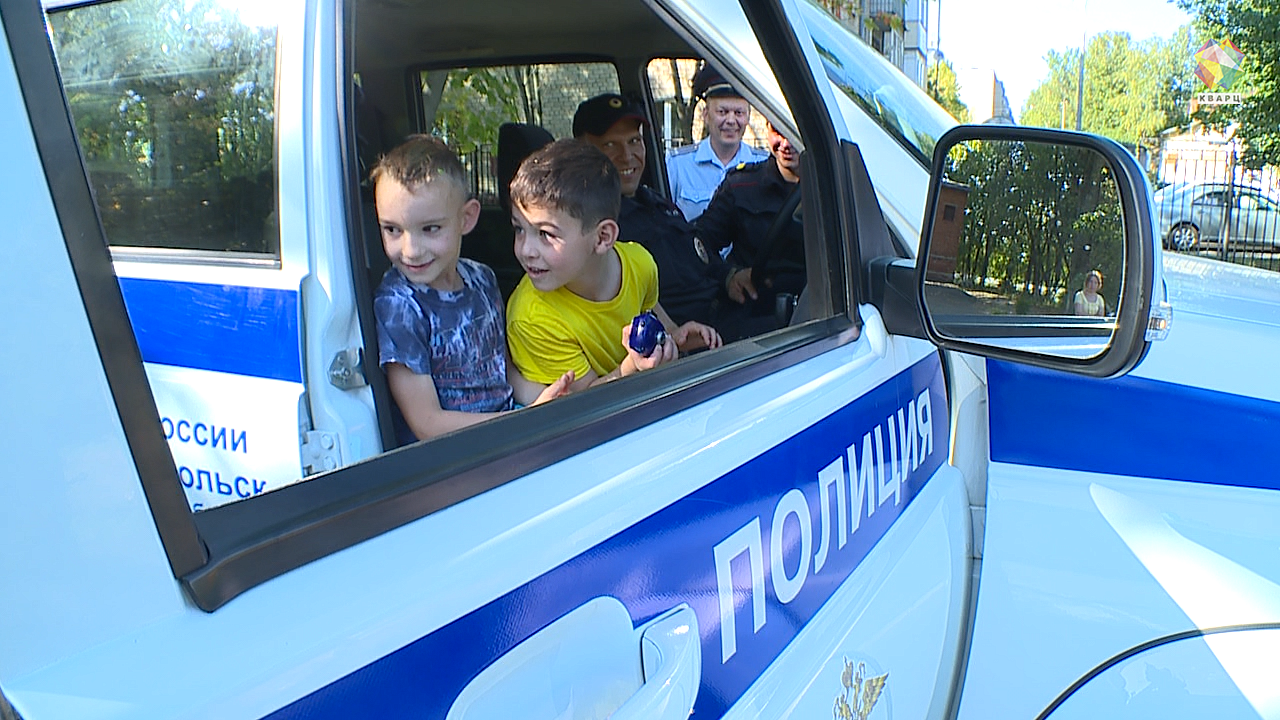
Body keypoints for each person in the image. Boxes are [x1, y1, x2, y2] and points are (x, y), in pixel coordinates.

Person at [371, 135, 569, 444]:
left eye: (430, 229)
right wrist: (524, 421)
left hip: (506, 428)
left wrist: (548, 400)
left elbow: (504, 373)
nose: (410, 250)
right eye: (392, 229)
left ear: (467, 218)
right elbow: (427, 424)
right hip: (455, 455)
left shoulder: (482, 279)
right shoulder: (399, 305)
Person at [506, 140, 721, 393]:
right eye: (519, 229)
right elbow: (585, 401)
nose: (525, 250)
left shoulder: (640, 264)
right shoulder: (532, 318)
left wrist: (674, 336)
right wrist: (631, 368)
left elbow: (651, 312)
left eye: (545, 234)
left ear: (602, 237)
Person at [573, 92, 773, 343]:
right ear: (583, 152)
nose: (627, 155)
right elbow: (629, 305)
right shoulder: (592, 224)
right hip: (693, 339)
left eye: (634, 141)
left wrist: (730, 276)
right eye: (610, 145)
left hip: (725, 310)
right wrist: (673, 336)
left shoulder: (654, 201)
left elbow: (695, 253)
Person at [696, 121, 804, 321]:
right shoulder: (741, 185)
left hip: (818, 312)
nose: (786, 143)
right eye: (778, 132)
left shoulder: (837, 188)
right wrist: (729, 276)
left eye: (794, 133)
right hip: (753, 314)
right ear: (767, 127)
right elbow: (699, 243)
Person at [665, 64, 768, 221]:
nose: (731, 120)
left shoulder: (764, 165)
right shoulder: (678, 165)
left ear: (748, 117)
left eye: (739, 113)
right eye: (722, 112)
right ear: (706, 115)